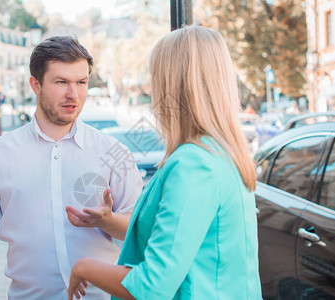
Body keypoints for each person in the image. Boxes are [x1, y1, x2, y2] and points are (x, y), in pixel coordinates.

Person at [67, 25, 262, 300]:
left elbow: (151, 287)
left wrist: (84, 267)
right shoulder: (219, 153)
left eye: (156, 79)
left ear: (173, 87)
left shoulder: (194, 166)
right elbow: (180, 238)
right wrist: (109, 222)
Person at [0, 36, 143, 299]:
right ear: (36, 85)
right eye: (61, 82)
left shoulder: (113, 152)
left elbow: (140, 231)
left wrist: (109, 222)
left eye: (81, 82)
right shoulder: (1, 153)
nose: (73, 94)